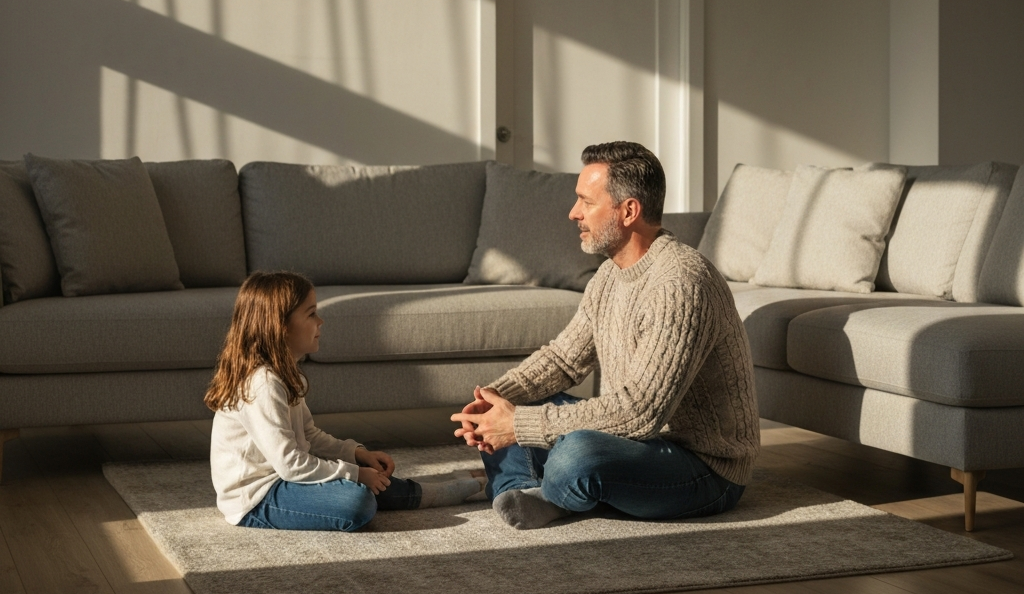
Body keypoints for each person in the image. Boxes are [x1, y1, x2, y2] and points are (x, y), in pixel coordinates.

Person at [452, 142, 760, 530]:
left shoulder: (681, 282)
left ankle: (544, 487)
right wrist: (495, 399)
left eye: (586, 201)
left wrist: (518, 426)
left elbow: (640, 412)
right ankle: (529, 493)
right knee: (522, 402)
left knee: (576, 455)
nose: (573, 213)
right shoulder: (610, 275)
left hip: (703, 467)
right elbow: (562, 360)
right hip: (635, 443)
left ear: (628, 210)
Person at [207, 271, 482, 530]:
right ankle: (452, 489)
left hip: (285, 478)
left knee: (371, 483)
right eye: (312, 314)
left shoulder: (284, 375)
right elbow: (291, 464)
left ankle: (466, 489)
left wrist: (356, 454)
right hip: (256, 497)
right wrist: (355, 473)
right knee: (357, 501)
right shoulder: (263, 384)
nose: (321, 322)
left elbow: (309, 437)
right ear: (281, 328)